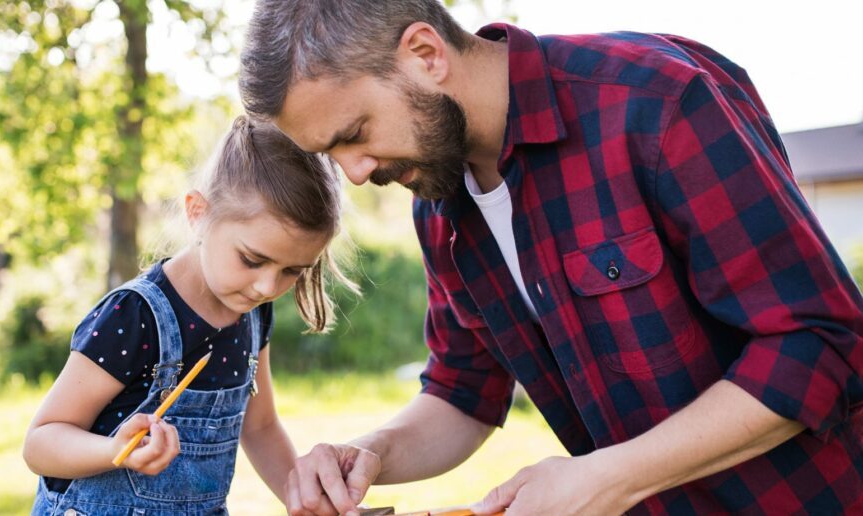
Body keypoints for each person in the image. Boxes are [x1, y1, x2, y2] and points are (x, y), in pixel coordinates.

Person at [239, 1, 863, 515]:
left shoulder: (655, 103)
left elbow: (820, 342)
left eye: (354, 133)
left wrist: (608, 477)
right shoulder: (437, 199)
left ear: (426, 55)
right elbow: (463, 393)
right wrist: (369, 453)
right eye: (331, 153)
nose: (353, 173)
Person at [23, 115, 356, 515]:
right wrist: (114, 450)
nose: (268, 287)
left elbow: (260, 427)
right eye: (252, 259)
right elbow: (41, 441)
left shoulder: (252, 314)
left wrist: (302, 499)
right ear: (198, 212)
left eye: (291, 271)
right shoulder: (134, 316)